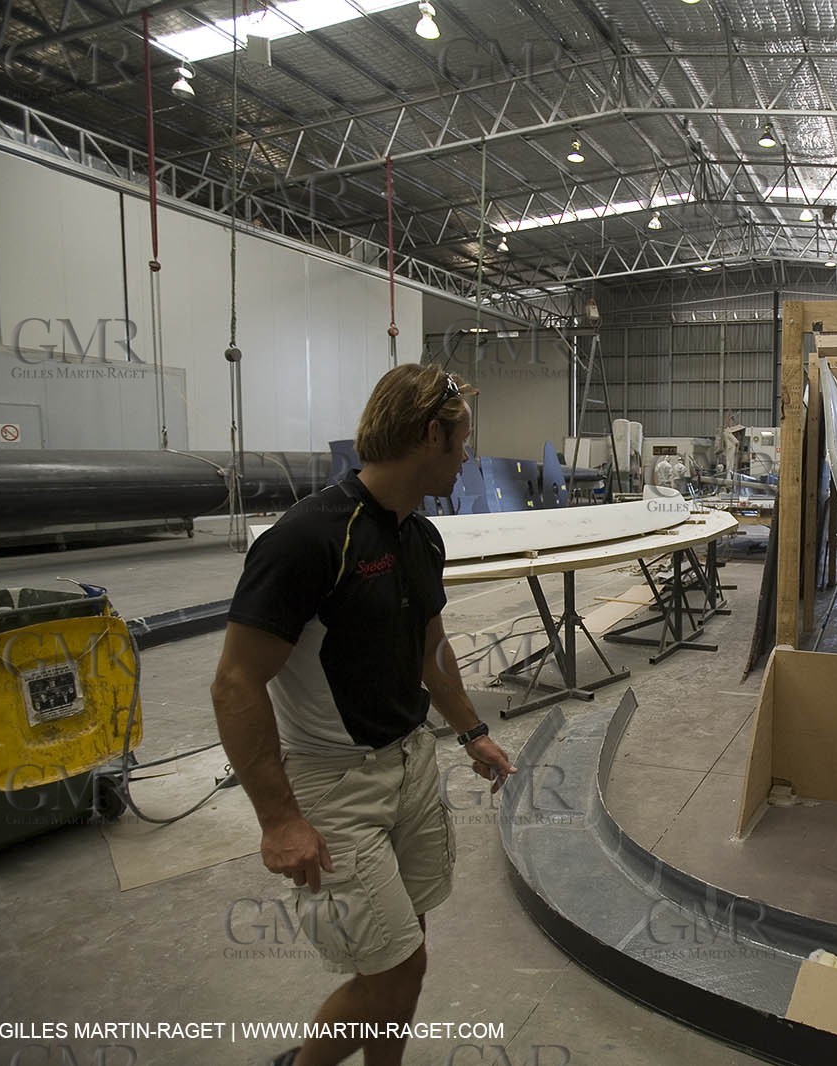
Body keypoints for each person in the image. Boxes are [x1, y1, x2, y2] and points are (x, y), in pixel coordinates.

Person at [211, 364, 516, 1066]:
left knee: (406, 946)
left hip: (410, 766)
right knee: (393, 968)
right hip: (334, 787)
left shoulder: (420, 538)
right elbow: (234, 684)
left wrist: (472, 733)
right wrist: (279, 819)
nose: (468, 456)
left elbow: (430, 652)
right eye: (462, 440)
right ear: (430, 434)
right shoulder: (309, 539)